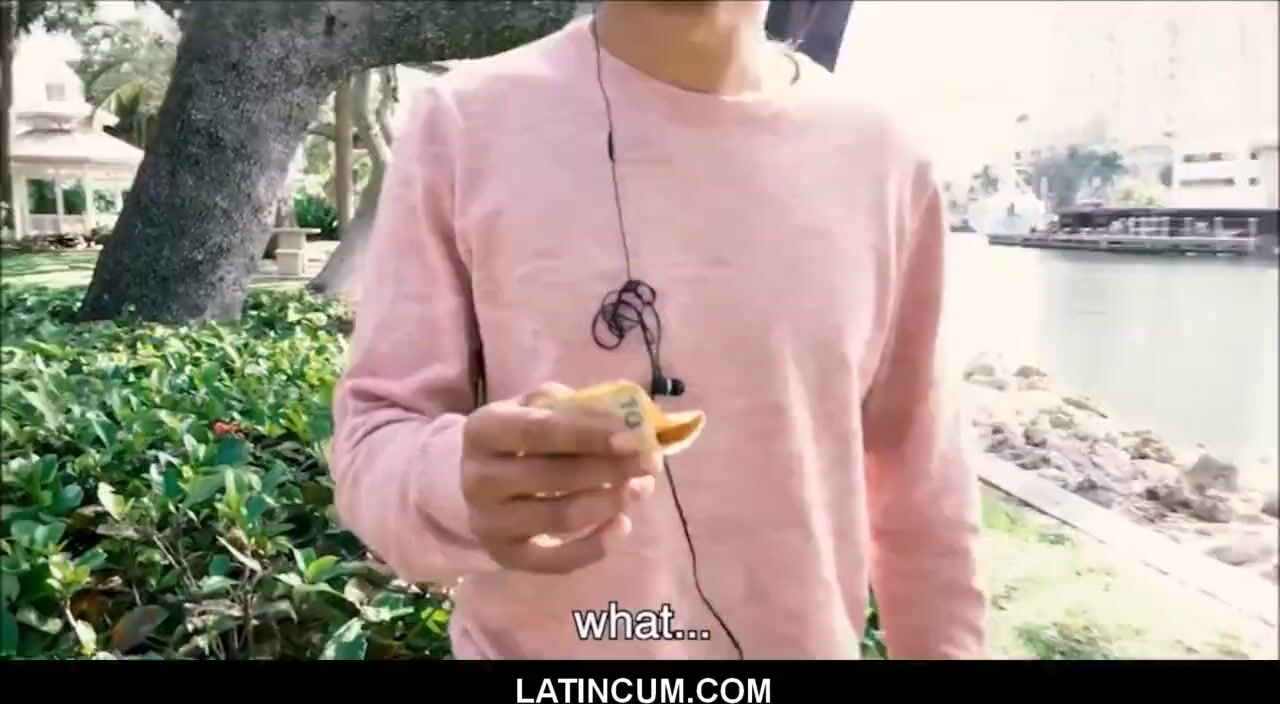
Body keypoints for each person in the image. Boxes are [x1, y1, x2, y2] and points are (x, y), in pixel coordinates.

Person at [329, 0, 986, 660]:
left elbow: (925, 502)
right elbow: (374, 436)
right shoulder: (464, 123)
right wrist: (457, 482)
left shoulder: (885, 161)